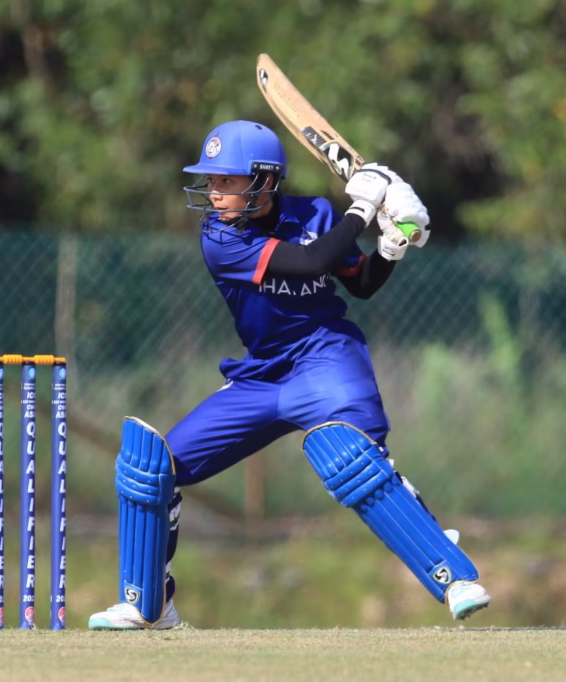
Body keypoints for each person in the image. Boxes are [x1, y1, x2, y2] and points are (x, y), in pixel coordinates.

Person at [88, 120, 491, 630]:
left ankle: (452, 575)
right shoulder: (220, 237)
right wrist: (363, 209)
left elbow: (360, 284)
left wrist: (392, 244)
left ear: (264, 181)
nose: (214, 192)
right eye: (211, 181)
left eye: (226, 181)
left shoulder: (317, 214)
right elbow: (306, 263)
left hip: (326, 355)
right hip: (262, 373)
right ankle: (148, 606)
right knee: (152, 468)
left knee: (355, 461)